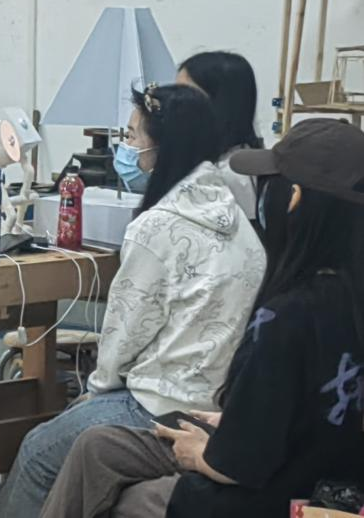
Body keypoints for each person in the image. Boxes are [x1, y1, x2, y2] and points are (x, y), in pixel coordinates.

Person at [0, 84, 267, 518]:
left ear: (163, 147)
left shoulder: (158, 227)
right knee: (52, 439)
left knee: (40, 449)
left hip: (159, 404)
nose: (126, 149)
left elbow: (125, 331)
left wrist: (95, 392)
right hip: (216, 403)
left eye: (132, 136)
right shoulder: (242, 225)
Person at [40, 118, 364, 518]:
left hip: (271, 494)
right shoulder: (341, 299)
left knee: (120, 493)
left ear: (294, 200)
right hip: (296, 467)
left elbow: (238, 467)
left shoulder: (288, 316)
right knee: (98, 447)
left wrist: (201, 453)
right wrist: (237, 420)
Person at [176, 51, 264, 219]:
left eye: (185, 94)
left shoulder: (231, 173)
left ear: (221, 103)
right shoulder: (208, 162)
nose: (174, 103)